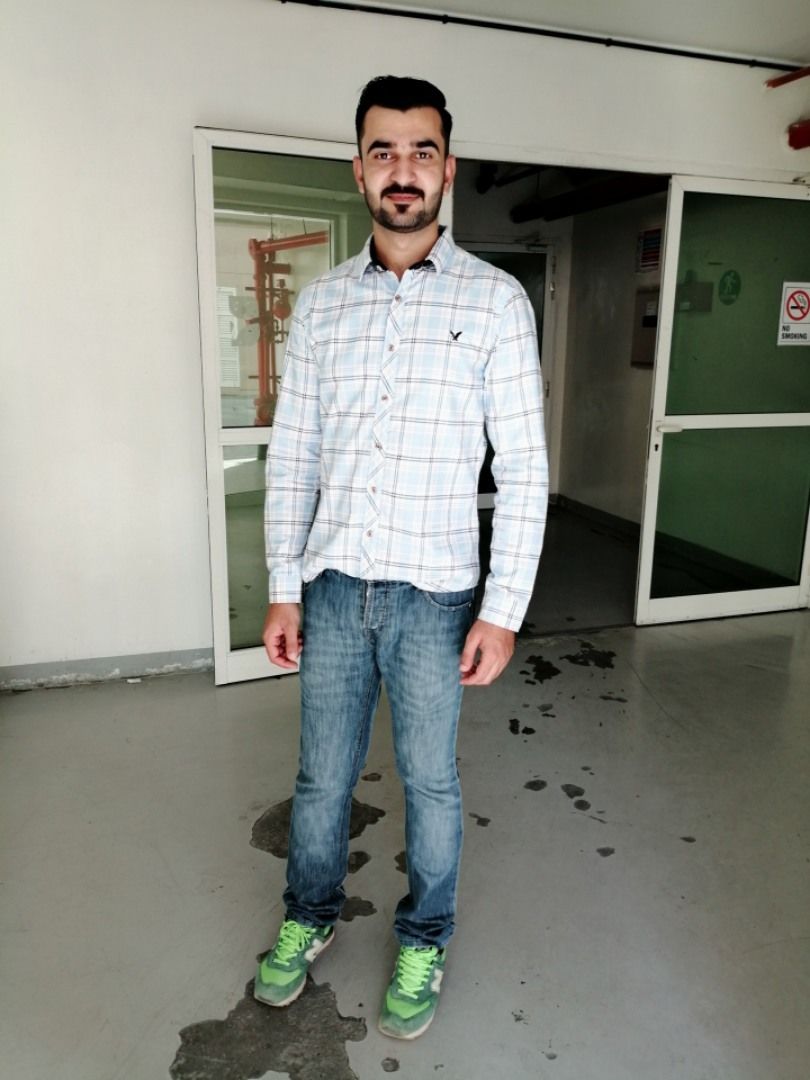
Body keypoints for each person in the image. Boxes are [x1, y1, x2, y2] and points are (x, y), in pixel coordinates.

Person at [255, 75, 548, 1040]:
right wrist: (284, 588)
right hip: (335, 587)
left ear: (448, 169)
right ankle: (308, 916)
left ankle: (426, 935)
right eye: (383, 151)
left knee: (430, 783)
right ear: (359, 170)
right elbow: (294, 454)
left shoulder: (495, 302)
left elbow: (526, 467)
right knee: (320, 780)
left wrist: (503, 609)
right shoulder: (322, 305)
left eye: (422, 151)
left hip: (436, 597)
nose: (403, 169)